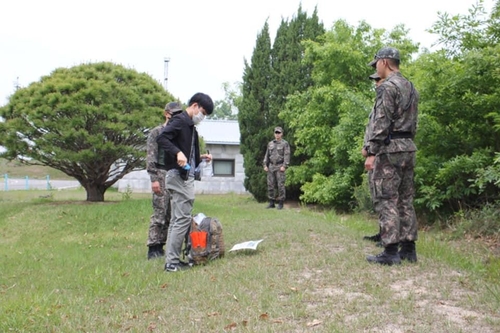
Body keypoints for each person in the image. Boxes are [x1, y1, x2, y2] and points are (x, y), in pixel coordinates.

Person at [364, 47, 419, 265]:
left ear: (385, 62)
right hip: (408, 146)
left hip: (390, 148)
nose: (375, 66)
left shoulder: (387, 87)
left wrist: (371, 151)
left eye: (376, 62)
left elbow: (381, 122)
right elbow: (413, 122)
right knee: (406, 199)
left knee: (387, 198)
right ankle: (409, 249)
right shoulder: (411, 87)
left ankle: (390, 251)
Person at [156, 92, 214, 272]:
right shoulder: (180, 120)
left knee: (176, 219)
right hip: (179, 176)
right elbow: (162, 137)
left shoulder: (190, 127)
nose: (202, 117)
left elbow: (186, 151)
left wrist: (200, 157)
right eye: (202, 112)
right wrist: (177, 153)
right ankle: (172, 263)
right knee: (182, 218)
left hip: (181, 175)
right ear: (195, 105)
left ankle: (172, 260)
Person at [145, 102, 182, 260]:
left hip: (174, 174)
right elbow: (151, 156)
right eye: (173, 113)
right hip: (160, 173)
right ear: (166, 113)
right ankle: (154, 246)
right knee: (160, 211)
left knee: (172, 213)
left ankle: (166, 244)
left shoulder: (178, 134)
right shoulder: (157, 132)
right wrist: (154, 178)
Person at [362, 73, 384, 245]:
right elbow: (370, 130)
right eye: (374, 81)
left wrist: (373, 153)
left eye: (378, 79)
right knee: (377, 196)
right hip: (373, 154)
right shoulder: (377, 104)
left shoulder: (388, 100)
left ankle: (390, 236)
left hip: (383, 156)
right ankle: (383, 231)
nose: (376, 83)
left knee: (385, 196)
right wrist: (365, 146)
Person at [263, 126, 291, 210]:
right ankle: (271, 202)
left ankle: (281, 203)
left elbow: (287, 155)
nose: (277, 134)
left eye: (279, 133)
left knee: (280, 185)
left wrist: (284, 165)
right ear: (274, 133)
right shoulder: (270, 144)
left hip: (279, 166)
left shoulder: (284, 143)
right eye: (276, 132)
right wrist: (265, 165)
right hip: (271, 166)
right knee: (270, 185)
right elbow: (267, 155)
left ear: (282, 134)